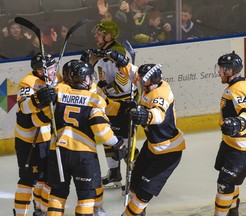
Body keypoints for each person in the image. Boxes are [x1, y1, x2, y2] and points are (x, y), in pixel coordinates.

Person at [34, 61, 125, 216]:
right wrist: (117, 144)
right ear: (84, 80)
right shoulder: (94, 99)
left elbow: (38, 121)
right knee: (86, 197)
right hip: (83, 156)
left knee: (57, 195)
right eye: (89, 77)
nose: (91, 80)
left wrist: (42, 102)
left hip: (58, 153)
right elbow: (102, 132)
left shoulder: (59, 93)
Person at [121, 64, 186, 216]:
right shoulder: (148, 85)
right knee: (134, 183)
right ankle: (138, 213)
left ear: (152, 80)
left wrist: (144, 115)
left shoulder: (160, 94)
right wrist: (120, 61)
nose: (139, 81)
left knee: (144, 191)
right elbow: (133, 73)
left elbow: (158, 115)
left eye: (143, 79)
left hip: (168, 152)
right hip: (151, 146)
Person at [81, 20, 139, 190]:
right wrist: (87, 64)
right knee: (109, 140)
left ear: (109, 36)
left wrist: (103, 87)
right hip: (110, 104)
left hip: (123, 105)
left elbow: (125, 85)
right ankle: (114, 173)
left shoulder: (117, 54)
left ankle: (135, 177)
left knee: (127, 144)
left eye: (100, 34)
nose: (96, 36)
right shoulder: (103, 52)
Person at [214, 51, 246, 215]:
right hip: (233, 141)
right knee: (230, 181)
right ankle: (233, 210)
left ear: (229, 71)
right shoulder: (239, 84)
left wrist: (238, 123)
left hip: (245, 145)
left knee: (224, 183)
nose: (219, 72)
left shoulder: (239, 89)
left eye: (222, 69)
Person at [13, 52, 58, 216]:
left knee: (45, 179)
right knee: (28, 180)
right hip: (28, 141)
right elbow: (23, 107)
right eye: (47, 69)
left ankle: (40, 211)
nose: (51, 72)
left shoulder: (56, 79)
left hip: (48, 139)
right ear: (37, 70)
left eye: (53, 67)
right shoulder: (27, 82)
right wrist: (38, 99)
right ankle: (20, 213)